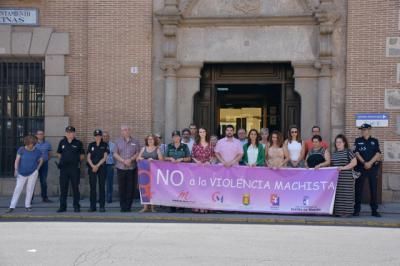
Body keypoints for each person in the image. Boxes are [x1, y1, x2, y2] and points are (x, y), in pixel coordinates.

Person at [6, 135, 43, 213]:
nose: (29, 145)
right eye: (28, 144)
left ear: (34, 143)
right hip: (21, 173)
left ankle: (28, 206)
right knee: (18, 188)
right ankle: (12, 206)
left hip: (33, 173)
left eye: (31, 144)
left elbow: (41, 160)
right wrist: (16, 169)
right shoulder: (21, 149)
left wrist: (37, 169)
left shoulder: (37, 151)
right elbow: (17, 160)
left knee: (30, 189)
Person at [354, 123, 382, 217]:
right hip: (360, 168)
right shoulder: (358, 140)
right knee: (358, 189)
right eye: (361, 130)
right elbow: (356, 153)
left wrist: (370, 163)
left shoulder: (375, 141)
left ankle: (374, 210)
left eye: (364, 129)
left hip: (372, 169)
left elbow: (378, 154)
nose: (362, 131)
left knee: (373, 189)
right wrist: (364, 163)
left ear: (369, 130)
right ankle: (356, 210)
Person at [56, 126, 85, 213]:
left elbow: (82, 155)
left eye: (71, 132)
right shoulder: (62, 142)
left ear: (74, 133)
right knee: (63, 188)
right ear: (66, 133)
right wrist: (63, 159)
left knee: (75, 188)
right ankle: (62, 207)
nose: (69, 134)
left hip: (74, 168)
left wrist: (75, 160)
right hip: (64, 169)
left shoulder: (78, 143)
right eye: (68, 132)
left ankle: (76, 206)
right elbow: (58, 153)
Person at [113, 125, 141, 212]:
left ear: (129, 131)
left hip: (132, 168)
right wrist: (123, 161)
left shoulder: (135, 141)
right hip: (121, 168)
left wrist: (131, 159)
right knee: (122, 188)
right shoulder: (118, 142)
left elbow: (138, 152)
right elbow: (115, 153)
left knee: (131, 188)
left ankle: (128, 206)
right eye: (122, 130)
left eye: (126, 130)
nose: (124, 131)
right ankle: (123, 206)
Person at [164, 130, 191, 213]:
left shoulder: (185, 146)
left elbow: (189, 158)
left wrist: (182, 159)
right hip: (171, 171)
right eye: (174, 136)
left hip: (182, 171)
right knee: (171, 188)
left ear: (180, 137)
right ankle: (172, 206)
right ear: (172, 138)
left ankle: (181, 206)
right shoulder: (169, 146)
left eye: (177, 136)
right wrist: (170, 158)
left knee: (181, 188)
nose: (176, 138)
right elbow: (164, 157)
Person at [331, 134, 357, 217]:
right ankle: (338, 212)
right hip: (337, 178)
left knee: (347, 194)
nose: (338, 144)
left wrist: (343, 168)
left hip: (347, 178)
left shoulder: (348, 151)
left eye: (340, 142)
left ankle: (347, 212)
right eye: (336, 142)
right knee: (338, 195)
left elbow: (354, 163)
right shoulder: (334, 154)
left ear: (344, 143)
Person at [137, 134, 163, 213]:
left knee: (153, 189)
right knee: (144, 189)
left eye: (151, 139)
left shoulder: (157, 149)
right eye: (149, 139)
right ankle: (145, 207)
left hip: (154, 173)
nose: (150, 141)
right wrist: (142, 158)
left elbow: (161, 160)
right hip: (144, 173)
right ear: (146, 141)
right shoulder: (143, 148)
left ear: (154, 140)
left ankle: (152, 207)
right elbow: (137, 158)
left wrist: (154, 160)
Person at [191, 127, 214, 213]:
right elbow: (192, 155)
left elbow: (212, 155)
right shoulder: (195, 143)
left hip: (207, 169)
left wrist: (209, 162)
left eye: (204, 131)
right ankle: (197, 206)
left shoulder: (210, 144)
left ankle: (205, 206)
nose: (202, 133)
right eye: (200, 132)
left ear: (206, 133)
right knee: (197, 187)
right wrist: (198, 162)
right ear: (199, 133)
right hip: (197, 169)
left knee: (206, 187)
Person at [87, 129, 109, 212]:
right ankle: (92, 206)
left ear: (101, 136)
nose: (98, 137)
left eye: (99, 135)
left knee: (101, 187)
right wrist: (93, 166)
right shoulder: (91, 145)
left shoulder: (105, 145)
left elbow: (105, 157)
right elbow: (88, 157)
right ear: (94, 136)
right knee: (92, 188)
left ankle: (102, 206)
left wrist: (97, 166)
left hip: (102, 168)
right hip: (92, 168)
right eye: (96, 136)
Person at [35, 130, 52, 202]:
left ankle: (44, 197)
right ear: (36, 135)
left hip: (44, 164)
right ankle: (30, 198)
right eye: (39, 134)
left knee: (44, 181)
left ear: (43, 135)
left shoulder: (48, 144)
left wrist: (46, 159)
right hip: (35, 164)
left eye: (42, 134)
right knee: (32, 181)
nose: (40, 135)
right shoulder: (33, 143)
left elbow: (50, 154)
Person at [102, 131, 115, 203]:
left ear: (109, 137)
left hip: (110, 165)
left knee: (109, 183)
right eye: (104, 136)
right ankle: (101, 197)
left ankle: (109, 198)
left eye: (107, 136)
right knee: (101, 182)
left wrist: (114, 165)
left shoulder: (113, 145)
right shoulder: (99, 145)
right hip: (101, 166)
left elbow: (115, 155)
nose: (105, 137)